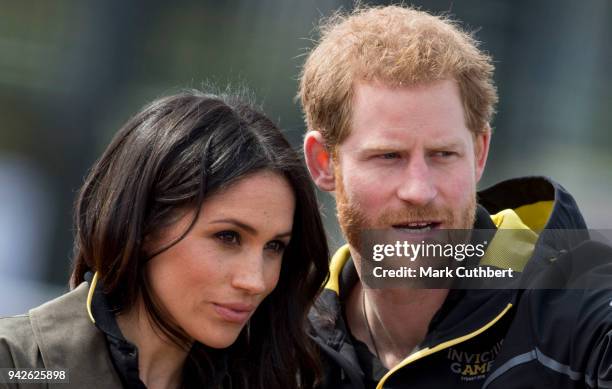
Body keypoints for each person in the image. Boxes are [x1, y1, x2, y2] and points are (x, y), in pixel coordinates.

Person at [298, 5, 612, 389]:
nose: (419, 190)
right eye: (388, 156)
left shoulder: (577, 300)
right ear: (324, 162)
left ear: (479, 153)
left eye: (443, 155)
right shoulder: (282, 333)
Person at [0, 90, 329, 389]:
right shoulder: (18, 367)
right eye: (228, 237)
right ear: (142, 225)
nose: (255, 280)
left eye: (275, 246)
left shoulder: (278, 379)